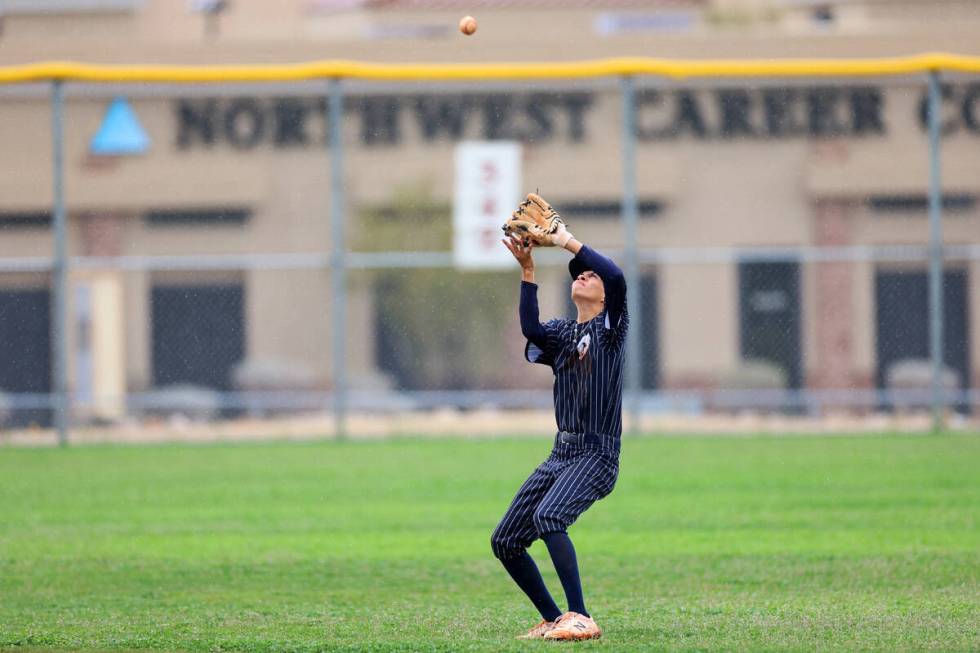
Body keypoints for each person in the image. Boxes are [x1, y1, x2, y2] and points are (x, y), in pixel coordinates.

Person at [492, 196, 628, 641]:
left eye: (589, 275)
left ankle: (581, 615)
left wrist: (566, 241)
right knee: (506, 541)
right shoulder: (564, 335)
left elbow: (616, 275)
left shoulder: (610, 329)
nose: (583, 276)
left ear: (606, 296)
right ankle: (554, 618)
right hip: (561, 453)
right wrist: (528, 272)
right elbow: (531, 330)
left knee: (550, 517)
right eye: (577, 274)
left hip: (596, 454)